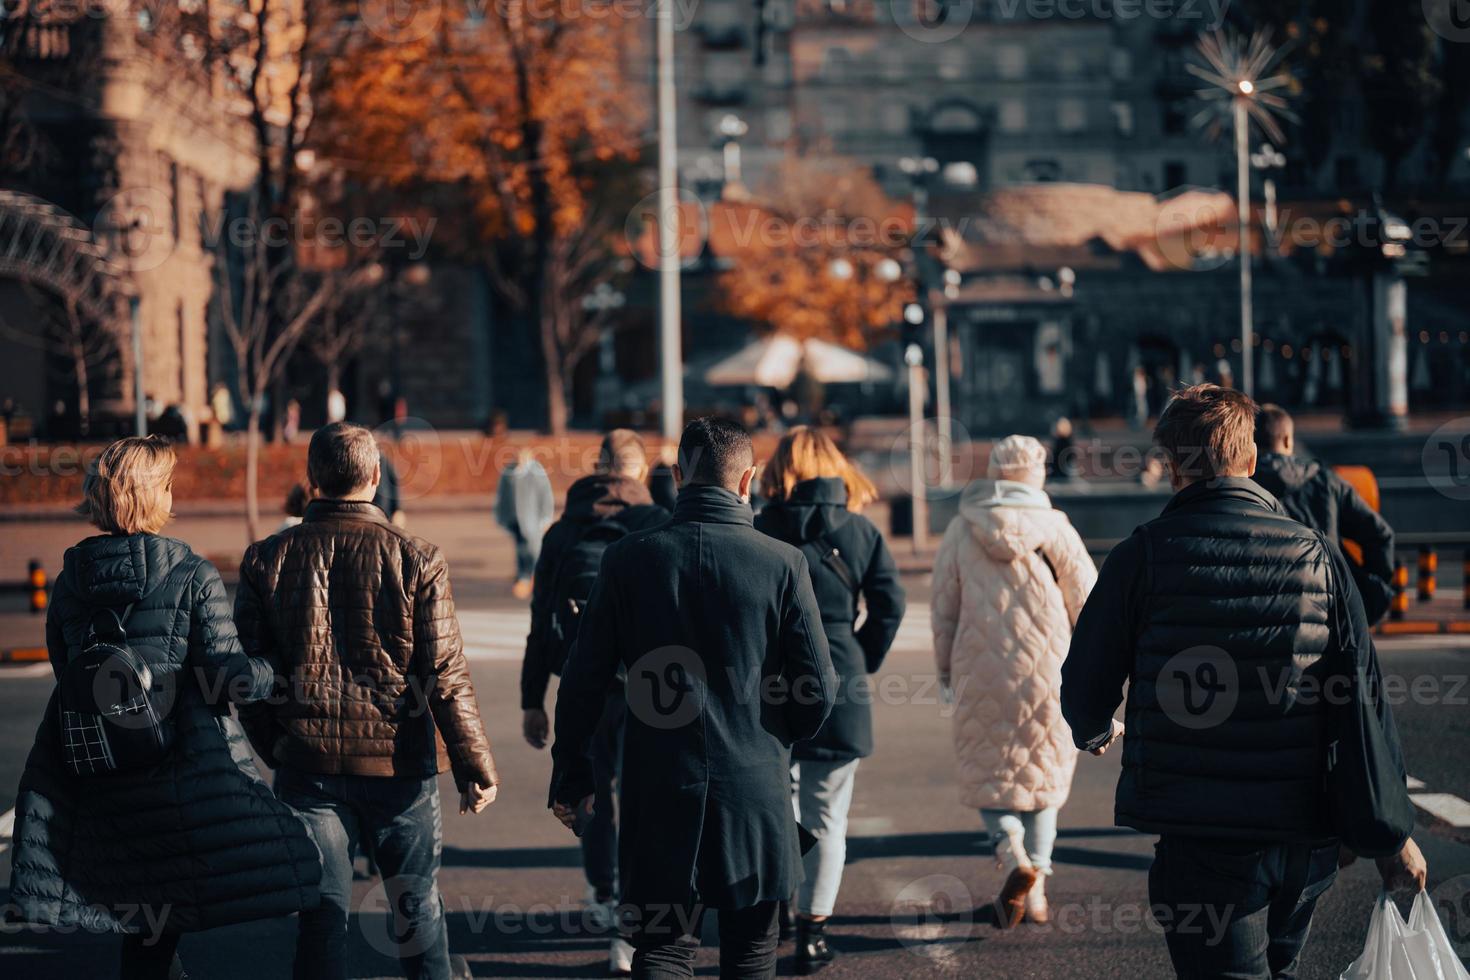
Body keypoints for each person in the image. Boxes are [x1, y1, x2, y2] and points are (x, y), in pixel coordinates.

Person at [1061, 384, 1426, 980]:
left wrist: (1093, 727)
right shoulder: (1318, 556)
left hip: (1201, 833)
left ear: (1173, 468)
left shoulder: (1143, 555)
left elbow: (1085, 676)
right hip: (1306, 836)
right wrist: (1391, 833)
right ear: (1252, 459)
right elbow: (1362, 699)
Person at [7, 435, 322, 980]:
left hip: (97, 769)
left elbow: (68, 673)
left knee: (144, 923)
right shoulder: (190, 575)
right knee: (177, 910)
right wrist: (275, 665)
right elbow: (230, 683)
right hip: (177, 774)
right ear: (157, 496)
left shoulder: (69, 583)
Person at [549, 417, 837, 980]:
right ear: (748, 479)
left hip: (659, 782)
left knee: (662, 948)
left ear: (678, 475)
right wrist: (774, 734)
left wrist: (572, 777)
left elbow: (583, 679)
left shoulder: (630, 559)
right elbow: (821, 689)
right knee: (753, 950)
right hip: (755, 784)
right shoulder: (783, 563)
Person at [235, 422, 499, 980]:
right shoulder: (418, 557)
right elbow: (444, 672)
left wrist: (277, 746)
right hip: (399, 763)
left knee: (322, 914)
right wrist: (474, 762)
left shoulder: (266, 559)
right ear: (376, 477)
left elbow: (247, 679)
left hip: (307, 764)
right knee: (416, 906)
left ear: (312, 480)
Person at [753, 427, 906, 973]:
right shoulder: (861, 531)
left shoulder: (760, 526)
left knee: (774, 812)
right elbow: (890, 605)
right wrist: (858, 659)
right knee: (829, 815)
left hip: (769, 688)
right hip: (841, 678)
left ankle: (771, 916)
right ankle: (812, 932)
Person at [931, 435, 1096, 929]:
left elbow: (943, 611)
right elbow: (1089, 605)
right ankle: (1039, 887)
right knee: (1043, 782)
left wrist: (944, 671)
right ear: (1038, 475)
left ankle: (1011, 851)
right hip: (1049, 673)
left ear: (997, 473)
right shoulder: (1057, 529)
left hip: (980, 672)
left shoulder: (962, 529)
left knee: (990, 780)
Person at [522, 429, 668, 975]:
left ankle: (603, 890)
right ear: (639, 468)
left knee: (599, 791)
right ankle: (640, 919)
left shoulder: (564, 530)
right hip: (653, 685)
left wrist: (532, 699)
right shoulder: (657, 522)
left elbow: (541, 620)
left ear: (598, 465)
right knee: (649, 795)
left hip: (585, 681)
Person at [1253, 403, 1396, 624]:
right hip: (1329, 609)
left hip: (1263, 612)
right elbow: (1380, 534)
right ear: (1288, 441)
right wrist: (1367, 597)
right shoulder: (1326, 481)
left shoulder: (1243, 486)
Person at [495, 447, 554, 599]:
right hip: (515, 519)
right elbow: (502, 495)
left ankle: (531, 578)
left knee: (534, 550)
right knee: (520, 548)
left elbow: (545, 495)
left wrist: (546, 517)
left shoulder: (536, 471)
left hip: (532, 518)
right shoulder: (510, 471)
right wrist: (502, 517)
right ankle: (523, 577)